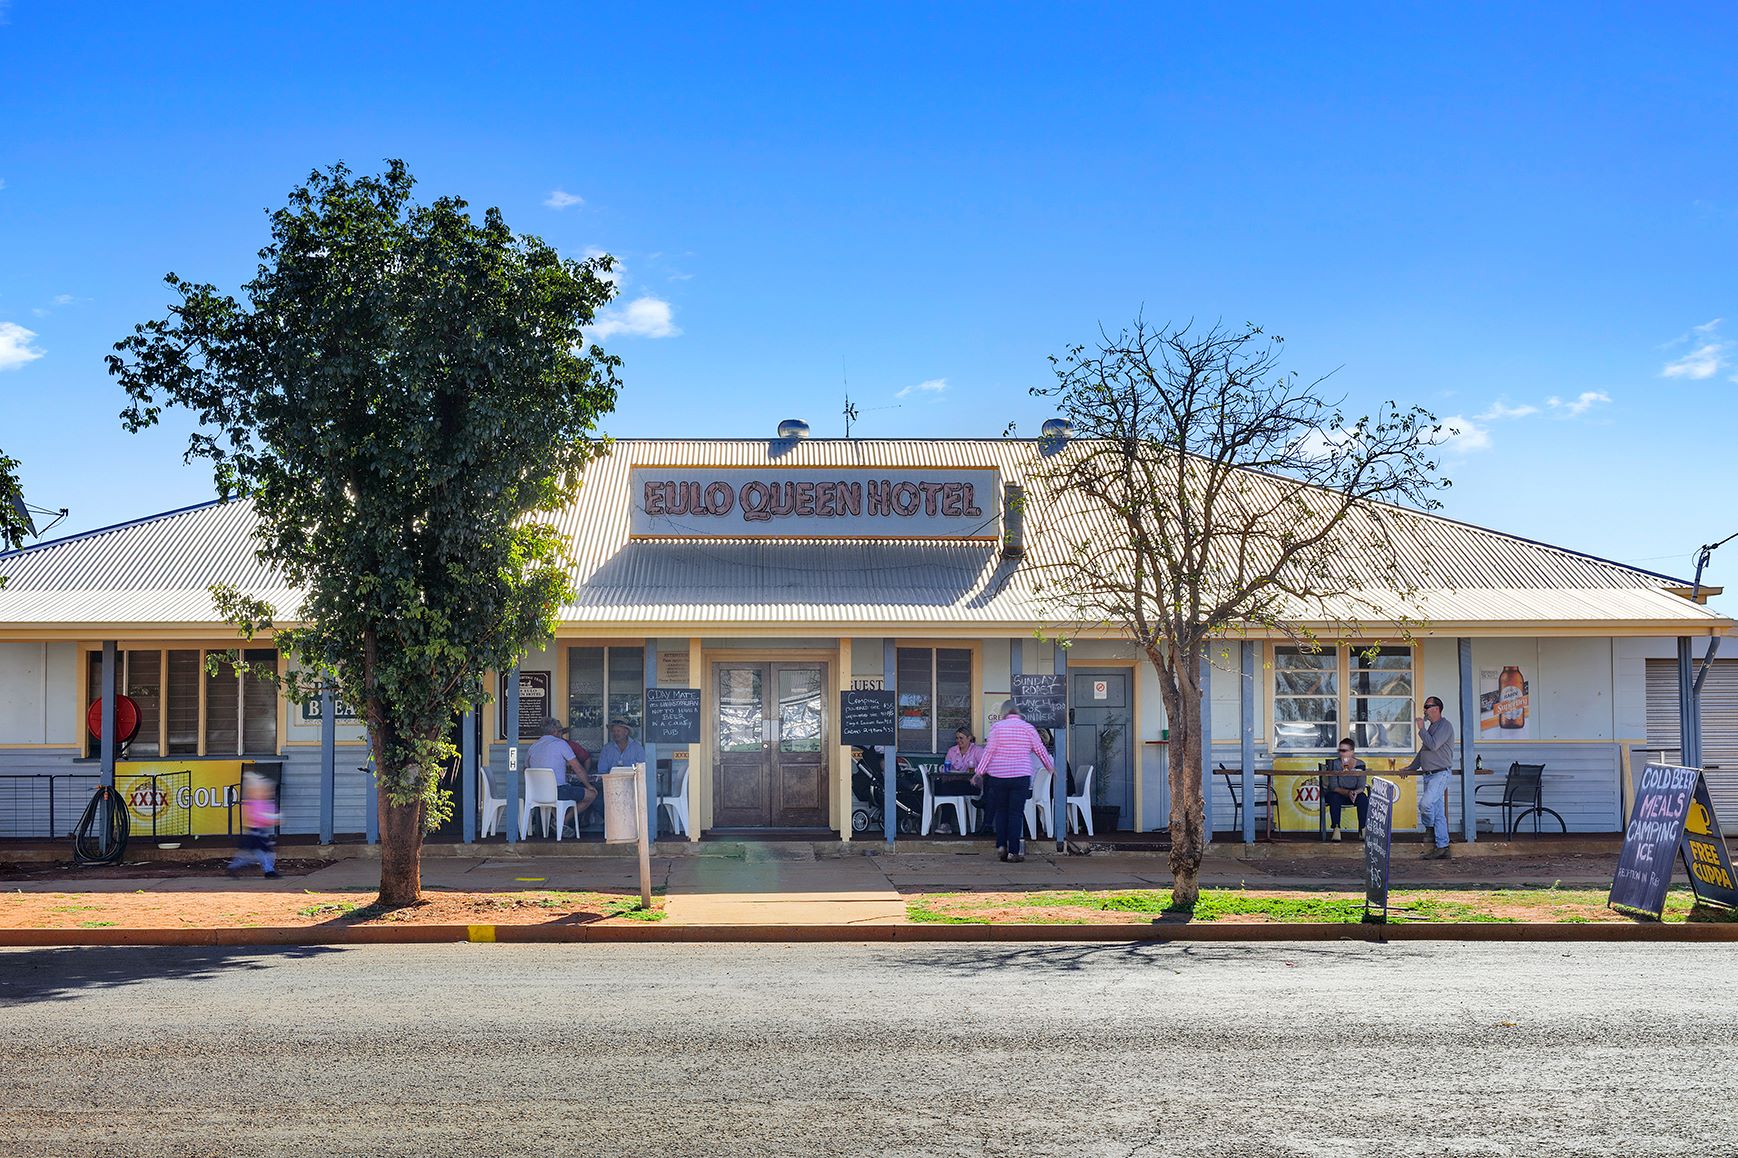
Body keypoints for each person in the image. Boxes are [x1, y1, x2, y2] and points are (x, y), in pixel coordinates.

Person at [972, 700, 1054, 863]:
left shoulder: (996, 728)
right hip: (1020, 775)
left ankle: (1001, 845)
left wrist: (979, 772)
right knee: (1016, 813)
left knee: (1001, 811)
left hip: (998, 776)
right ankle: (1013, 852)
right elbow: (1040, 750)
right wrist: (1050, 767)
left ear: (1004, 713)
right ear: (1018, 713)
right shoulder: (1028, 728)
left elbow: (989, 752)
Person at [1406, 695, 1455, 859]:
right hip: (1429, 775)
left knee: (1425, 804)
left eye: (1427, 707)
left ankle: (1430, 827)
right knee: (1439, 812)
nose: (1424, 710)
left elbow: (1433, 745)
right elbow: (1423, 752)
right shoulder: (1432, 728)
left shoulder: (1445, 726)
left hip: (1440, 773)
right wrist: (1410, 768)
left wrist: (1421, 729)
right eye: (1424, 707)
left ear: (1436, 709)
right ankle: (1443, 847)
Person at [528, 717, 597, 823]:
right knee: (592, 794)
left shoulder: (533, 747)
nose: (562, 734)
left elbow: (526, 768)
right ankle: (563, 821)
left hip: (537, 793)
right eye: (560, 731)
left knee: (562, 795)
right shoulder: (560, 744)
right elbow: (578, 768)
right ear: (555, 731)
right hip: (558, 791)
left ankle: (557, 821)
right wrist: (589, 785)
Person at [226, 770, 281, 879]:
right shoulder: (255, 803)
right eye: (263, 790)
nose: (266, 792)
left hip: (261, 832)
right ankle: (269, 871)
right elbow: (258, 817)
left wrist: (275, 817)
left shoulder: (265, 803)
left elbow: (272, 813)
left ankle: (234, 866)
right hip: (256, 831)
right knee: (264, 853)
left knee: (253, 853)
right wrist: (272, 818)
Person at [935, 728, 984, 834]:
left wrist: (974, 772)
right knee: (941, 786)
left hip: (971, 784)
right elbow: (945, 768)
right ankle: (944, 824)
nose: (958, 740)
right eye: (957, 738)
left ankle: (945, 823)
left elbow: (984, 767)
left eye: (961, 738)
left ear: (969, 738)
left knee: (946, 789)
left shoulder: (977, 751)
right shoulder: (952, 751)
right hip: (954, 782)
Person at [1323, 736, 1368, 840]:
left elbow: (1362, 785)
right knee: (1334, 797)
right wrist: (1348, 792)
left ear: (1352, 752)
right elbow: (1333, 786)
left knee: (1363, 799)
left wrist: (1355, 792)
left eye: (1344, 750)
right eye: (1340, 750)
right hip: (1339, 793)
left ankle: (1362, 828)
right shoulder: (1335, 763)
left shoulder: (1360, 764)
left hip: (1354, 793)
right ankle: (1336, 828)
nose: (1341, 753)